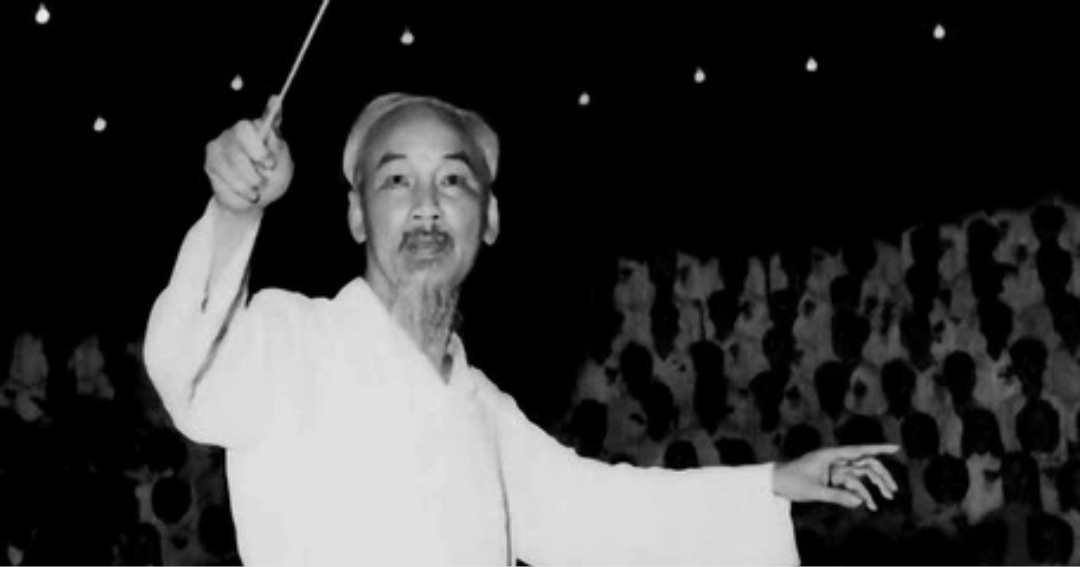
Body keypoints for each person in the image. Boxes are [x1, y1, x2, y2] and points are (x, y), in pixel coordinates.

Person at [143, 93, 900, 565]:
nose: (427, 204)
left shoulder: (479, 404)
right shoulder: (291, 342)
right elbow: (189, 372)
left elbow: (590, 510)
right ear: (355, 215)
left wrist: (771, 482)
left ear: (491, 219)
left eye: (454, 180)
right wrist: (234, 209)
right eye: (396, 179)